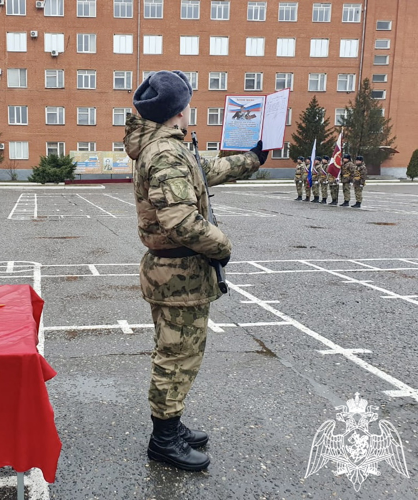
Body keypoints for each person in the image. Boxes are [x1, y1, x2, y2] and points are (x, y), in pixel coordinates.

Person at [124, 70, 265, 472]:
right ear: (179, 108)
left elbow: (203, 170)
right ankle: (163, 440)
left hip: (176, 273)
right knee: (176, 357)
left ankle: (172, 424)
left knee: (178, 353)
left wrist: (252, 160)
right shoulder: (165, 152)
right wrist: (223, 247)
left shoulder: (166, 147)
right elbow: (181, 221)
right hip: (179, 274)